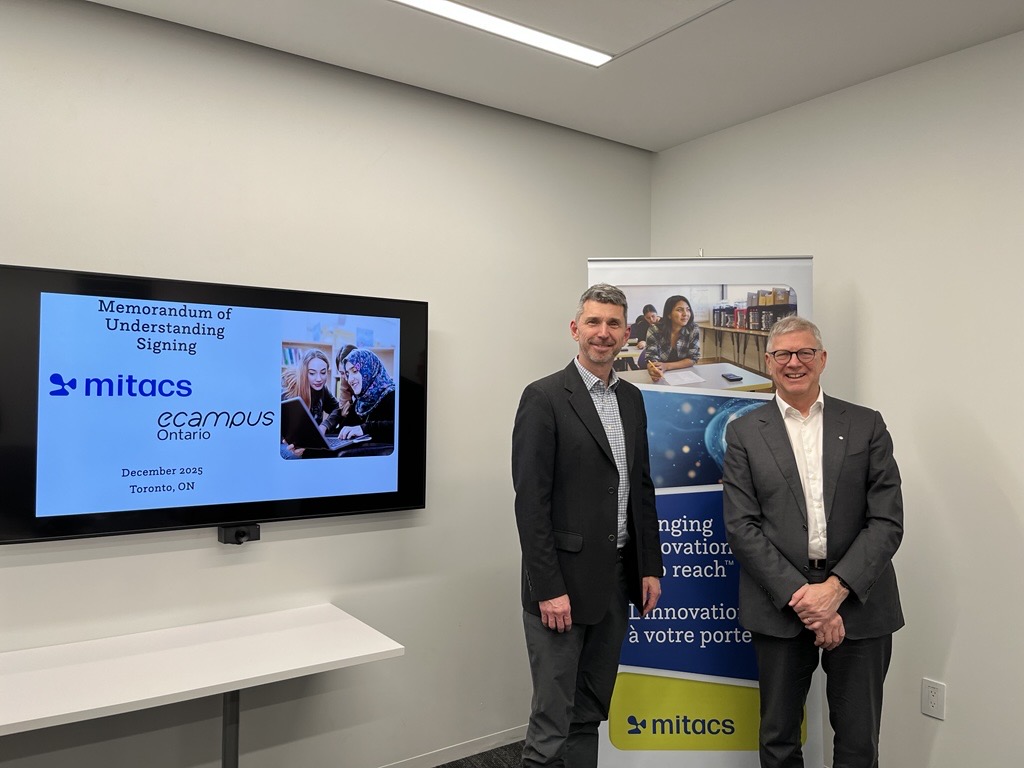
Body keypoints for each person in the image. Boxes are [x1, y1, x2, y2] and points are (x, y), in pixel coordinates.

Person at [721, 316, 904, 768]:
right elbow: (742, 527)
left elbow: (887, 521)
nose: (794, 362)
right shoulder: (744, 433)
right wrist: (806, 599)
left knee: (860, 742)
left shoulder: (866, 424)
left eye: (804, 352)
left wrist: (835, 591)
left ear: (822, 359)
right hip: (779, 602)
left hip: (860, 601)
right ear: (768, 362)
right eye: (783, 354)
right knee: (779, 739)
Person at [512, 284, 663, 768]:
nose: (604, 333)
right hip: (561, 587)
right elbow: (530, 504)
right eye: (594, 323)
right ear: (575, 329)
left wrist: (648, 566)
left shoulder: (634, 399)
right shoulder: (544, 398)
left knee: (590, 711)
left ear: (626, 333)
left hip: (615, 581)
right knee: (552, 719)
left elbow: (641, 489)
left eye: (614, 323)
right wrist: (547, 589)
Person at [281, 349, 342, 457]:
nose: (319, 379)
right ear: (304, 373)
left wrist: (324, 426)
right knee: (294, 456)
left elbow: (337, 408)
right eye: (312, 373)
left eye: (323, 372)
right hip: (285, 443)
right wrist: (297, 444)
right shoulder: (288, 393)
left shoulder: (322, 389)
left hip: (309, 442)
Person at [337, 348, 396, 444]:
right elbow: (342, 430)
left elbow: (401, 426)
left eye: (355, 371)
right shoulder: (361, 401)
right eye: (347, 374)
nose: (350, 379)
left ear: (368, 369)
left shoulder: (392, 395)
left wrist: (365, 428)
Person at [645, 295, 700, 382]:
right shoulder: (655, 330)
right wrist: (653, 370)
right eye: (679, 310)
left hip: (686, 375)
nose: (685, 314)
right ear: (669, 315)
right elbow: (651, 358)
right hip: (662, 376)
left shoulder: (693, 329)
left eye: (688, 309)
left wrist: (667, 366)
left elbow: (693, 358)